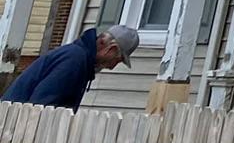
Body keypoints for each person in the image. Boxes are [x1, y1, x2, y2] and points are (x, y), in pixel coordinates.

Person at [2, 24, 138, 110]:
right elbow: (41, 107)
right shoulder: (74, 61)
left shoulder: (78, 57)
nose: (113, 66)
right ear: (110, 48)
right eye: (118, 60)